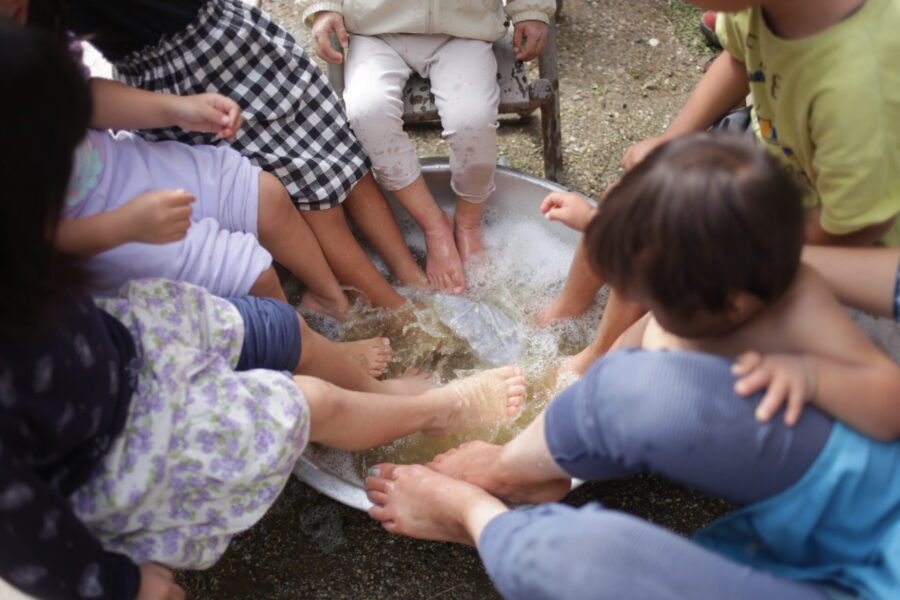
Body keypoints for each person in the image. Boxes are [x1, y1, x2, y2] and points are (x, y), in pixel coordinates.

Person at [0, 24, 528, 599]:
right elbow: (22, 530)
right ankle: (437, 410)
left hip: (118, 342)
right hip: (107, 445)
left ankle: (384, 395)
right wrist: (120, 584)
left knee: (276, 323)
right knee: (309, 401)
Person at [365, 133, 900, 600]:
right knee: (637, 361)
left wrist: (813, 378)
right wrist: (597, 224)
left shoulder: (799, 303)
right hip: (817, 494)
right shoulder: (717, 286)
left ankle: (478, 511)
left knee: (651, 350)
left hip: (865, 508)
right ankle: (526, 466)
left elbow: (887, 404)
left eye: (662, 302)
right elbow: (658, 301)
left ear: (731, 303)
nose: (653, 317)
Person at [538, 0, 900, 375]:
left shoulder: (859, 84)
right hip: (769, 168)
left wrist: (727, 250)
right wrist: (671, 141)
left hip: (844, 247)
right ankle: (565, 311)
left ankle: (596, 362)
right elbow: (738, 58)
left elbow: (860, 225)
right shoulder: (769, 9)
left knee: (664, 259)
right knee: (634, 199)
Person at [60, 0, 429, 310]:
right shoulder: (35, 27)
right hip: (172, 76)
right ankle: (392, 308)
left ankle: (408, 275)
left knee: (342, 154)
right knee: (313, 192)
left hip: (234, 34)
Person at [301, 0, 556, 294]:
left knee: (471, 120)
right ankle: (434, 225)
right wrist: (323, 7)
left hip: (464, 27)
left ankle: (468, 224)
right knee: (366, 113)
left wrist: (531, 10)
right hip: (375, 28)